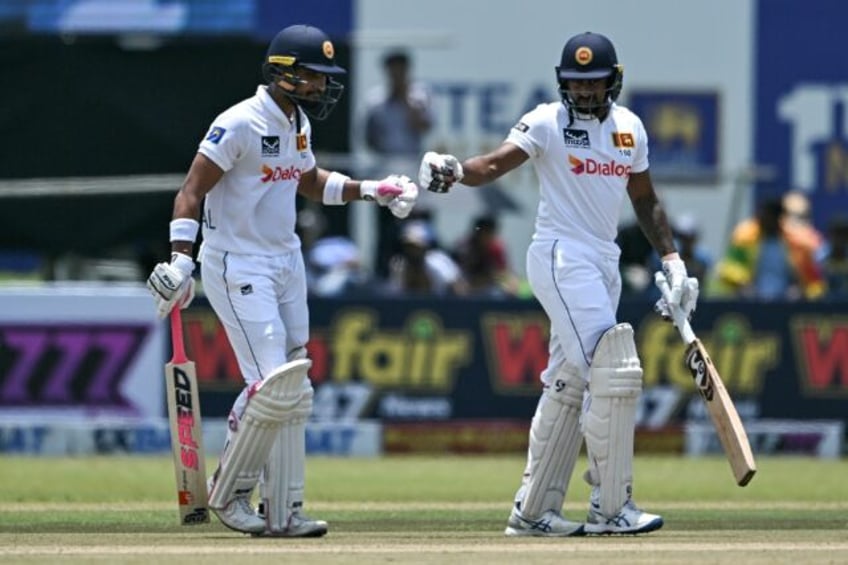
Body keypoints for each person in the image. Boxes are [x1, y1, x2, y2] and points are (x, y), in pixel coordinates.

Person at [418, 31, 698, 536]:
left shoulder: (630, 129)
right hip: (559, 256)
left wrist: (673, 259)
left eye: (593, 84)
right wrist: (457, 170)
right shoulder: (547, 120)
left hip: (603, 262)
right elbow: (496, 163)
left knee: (568, 385)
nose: (584, 92)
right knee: (614, 371)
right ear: (561, 82)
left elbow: (645, 199)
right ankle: (612, 508)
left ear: (614, 81)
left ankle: (532, 513)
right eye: (575, 83)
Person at [145, 24, 418, 537]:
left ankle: (284, 510)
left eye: (324, 78)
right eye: (313, 77)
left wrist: (372, 189)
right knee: (270, 385)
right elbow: (190, 192)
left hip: (287, 262)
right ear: (283, 73)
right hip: (237, 262)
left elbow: (310, 182)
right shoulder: (240, 123)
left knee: (294, 383)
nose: (321, 87)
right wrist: (182, 261)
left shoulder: (296, 123)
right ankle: (229, 494)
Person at [363, 49, 436, 279]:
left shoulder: (420, 96)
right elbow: (367, 136)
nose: (397, 74)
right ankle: (382, 275)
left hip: (413, 168)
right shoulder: (375, 99)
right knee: (386, 228)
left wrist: (406, 100)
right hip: (386, 167)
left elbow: (424, 127)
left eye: (401, 69)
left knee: (418, 226)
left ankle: (425, 274)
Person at [712, 197, 825, 300]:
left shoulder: (797, 243)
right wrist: (743, 284)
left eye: (767, 217)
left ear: (779, 218)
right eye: (761, 216)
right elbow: (729, 269)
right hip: (752, 301)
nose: (762, 221)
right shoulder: (744, 237)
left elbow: (813, 282)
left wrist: (800, 290)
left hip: (786, 303)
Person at [385, 220, 468, 296]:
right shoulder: (398, 265)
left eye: (417, 247)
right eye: (408, 246)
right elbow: (395, 296)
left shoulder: (438, 262)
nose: (412, 251)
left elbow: (459, 289)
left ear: (426, 247)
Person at [452, 214, 520, 297]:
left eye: (491, 232)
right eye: (485, 231)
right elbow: (461, 278)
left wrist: (511, 284)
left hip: (486, 288)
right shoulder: (465, 247)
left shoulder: (496, 247)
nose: (489, 236)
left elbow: (505, 272)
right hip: (465, 287)